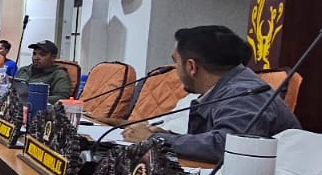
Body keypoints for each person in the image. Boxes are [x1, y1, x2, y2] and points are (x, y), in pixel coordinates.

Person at [123, 25, 301, 163]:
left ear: (192, 67)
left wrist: (154, 138)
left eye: (176, 62)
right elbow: (214, 139)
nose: (175, 69)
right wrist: (170, 136)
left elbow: (226, 146)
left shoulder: (244, 92)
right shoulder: (229, 86)